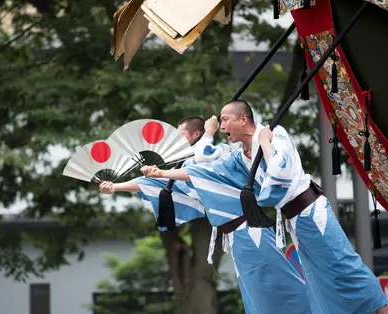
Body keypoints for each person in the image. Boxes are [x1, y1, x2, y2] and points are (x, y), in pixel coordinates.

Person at [221, 99, 388, 314]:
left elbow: (279, 171)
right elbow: (211, 168)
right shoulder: (241, 155)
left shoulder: (275, 133)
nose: (222, 126)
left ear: (243, 119)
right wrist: (165, 173)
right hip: (295, 221)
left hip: (311, 211)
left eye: (225, 120)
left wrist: (264, 141)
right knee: (319, 280)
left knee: (344, 265)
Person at [138, 117, 312, 314]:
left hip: (250, 228)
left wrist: (209, 131)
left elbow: (201, 159)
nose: (223, 127)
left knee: (277, 279)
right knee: (254, 289)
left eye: (181, 135)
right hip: (235, 234)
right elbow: (171, 177)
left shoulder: (223, 154)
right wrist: (118, 186)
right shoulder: (193, 163)